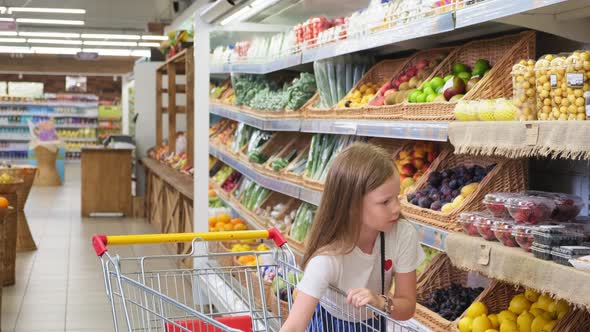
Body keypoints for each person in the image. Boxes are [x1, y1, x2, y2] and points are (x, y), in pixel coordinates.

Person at [280, 142, 425, 332]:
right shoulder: (328, 258)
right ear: (352, 206)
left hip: (371, 322)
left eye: (397, 197)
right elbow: (294, 326)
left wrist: (381, 302)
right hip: (327, 322)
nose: (397, 208)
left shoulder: (402, 234)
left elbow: (407, 306)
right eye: (385, 202)